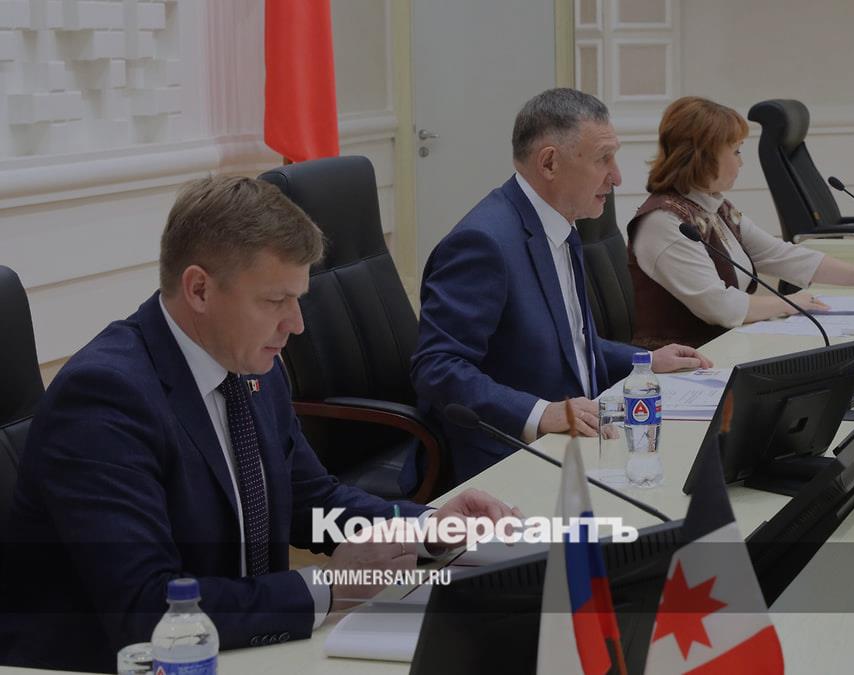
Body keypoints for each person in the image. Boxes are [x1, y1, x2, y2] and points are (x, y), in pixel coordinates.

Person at [0, 176, 517, 672]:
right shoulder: (105, 398)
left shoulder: (250, 364)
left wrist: (426, 529)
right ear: (199, 289)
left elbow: (310, 500)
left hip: (242, 648)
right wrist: (330, 587)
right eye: (275, 301)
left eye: (298, 299)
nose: (296, 324)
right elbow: (147, 609)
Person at [412, 88, 712, 482]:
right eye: (604, 159)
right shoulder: (483, 243)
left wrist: (646, 361)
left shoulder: (560, 226)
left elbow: (571, 343)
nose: (617, 176)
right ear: (550, 163)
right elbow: (437, 369)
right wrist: (542, 413)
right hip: (506, 457)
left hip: (579, 437)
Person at [627, 96, 854, 348]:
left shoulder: (713, 207)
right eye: (736, 151)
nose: (741, 161)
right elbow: (719, 307)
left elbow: (782, 255)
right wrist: (791, 303)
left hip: (723, 349)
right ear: (703, 156)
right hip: (683, 369)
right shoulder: (664, 222)